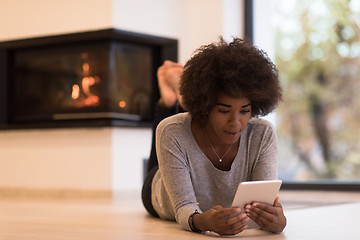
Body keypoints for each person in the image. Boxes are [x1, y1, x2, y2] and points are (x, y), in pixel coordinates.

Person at [141, 37, 286, 236]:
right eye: (224, 111)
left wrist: (277, 221)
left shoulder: (262, 134)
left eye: (244, 111)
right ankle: (168, 102)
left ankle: (176, 96)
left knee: (177, 127)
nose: (235, 122)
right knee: (169, 131)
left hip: (193, 129)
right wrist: (203, 221)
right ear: (206, 107)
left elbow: (263, 205)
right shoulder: (172, 131)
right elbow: (184, 207)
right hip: (159, 192)